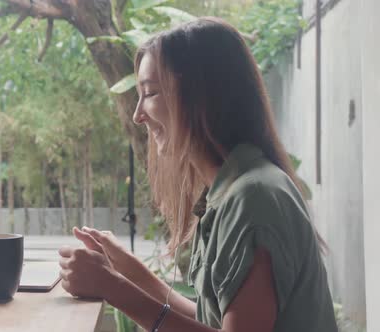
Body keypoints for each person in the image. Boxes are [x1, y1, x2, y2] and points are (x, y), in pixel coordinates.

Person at [58, 17, 338, 332]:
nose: (137, 115)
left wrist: (112, 288)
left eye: (149, 93)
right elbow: (212, 321)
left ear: (201, 95)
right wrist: (126, 268)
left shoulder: (255, 199)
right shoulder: (232, 190)